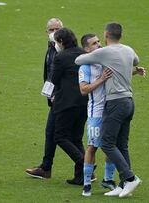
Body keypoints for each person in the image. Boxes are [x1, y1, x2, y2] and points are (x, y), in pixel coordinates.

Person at [75, 22, 145, 198]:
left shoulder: (104, 52)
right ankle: (123, 185)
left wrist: (95, 55)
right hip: (129, 102)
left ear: (106, 35)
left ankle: (130, 178)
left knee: (106, 143)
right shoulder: (128, 50)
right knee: (122, 145)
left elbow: (78, 60)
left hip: (115, 104)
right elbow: (136, 61)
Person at [78, 34, 116, 197]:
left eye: (99, 41)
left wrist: (135, 71)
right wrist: (101, 79)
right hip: (96, 113)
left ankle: (108, 179)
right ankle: (86, 183)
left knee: (112, 147)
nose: (99, 45)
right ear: (87, 49)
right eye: (94, 43)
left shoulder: (105, 60)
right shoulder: (85, 67)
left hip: (112, 111)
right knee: (92, 147)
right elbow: (83, 90)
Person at [25, 18, 63, 179]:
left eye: (57, 29)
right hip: (56, 97)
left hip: (62, 99)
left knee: (63, 136)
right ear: (46, 32)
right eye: (51, 30)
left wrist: (56, 94)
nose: (53, 33)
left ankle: (84, 165)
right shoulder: (51, 48)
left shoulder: (63, 50)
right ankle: (46, 168)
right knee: (56, 134)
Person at [51, 28, 88, 185]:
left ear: (60, 42)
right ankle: (80, 176)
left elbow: (54, 79)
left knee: (60, 136)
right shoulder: (83, 54)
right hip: (84, 101)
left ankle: (84, 162)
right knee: (76, 138)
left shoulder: (61, 57)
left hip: (66, 103)